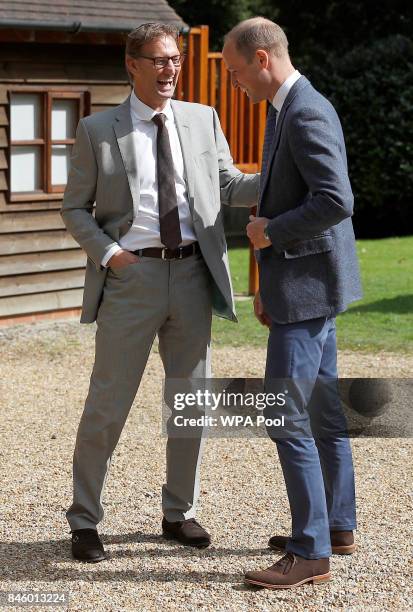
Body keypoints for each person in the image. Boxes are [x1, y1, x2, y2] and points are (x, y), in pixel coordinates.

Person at [62, 22, 259, 562]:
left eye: (175, 59)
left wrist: (285, 173)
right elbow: (74, 207)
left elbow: (228, 186)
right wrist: (112, 255)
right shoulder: (99, 129)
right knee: (108, 403)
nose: (170, 69)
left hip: (194, 277)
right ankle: (84, 520)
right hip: (132, 279)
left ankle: (180, 513)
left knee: (191, 402)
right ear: (133, 65)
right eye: (159, 60)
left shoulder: (202, 119)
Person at [223, 17, 362, 589]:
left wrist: (271, 233)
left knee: (287, 417)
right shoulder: (286, 108)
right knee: (324, 414)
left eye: (234, 72)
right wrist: (268, 283)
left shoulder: (304, 111)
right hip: (302, 290)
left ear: (261, 59)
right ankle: (335, 526)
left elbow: (336, 200)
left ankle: (310, 551)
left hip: (308, 293)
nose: (234, 84)